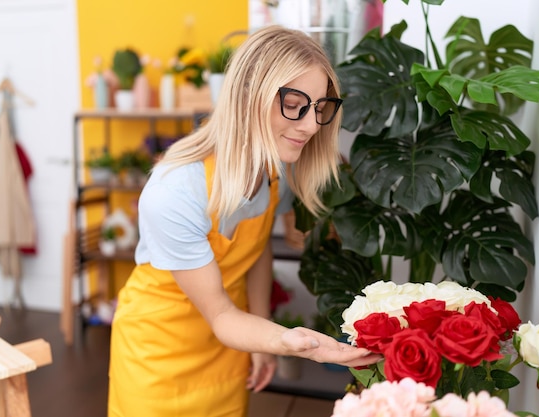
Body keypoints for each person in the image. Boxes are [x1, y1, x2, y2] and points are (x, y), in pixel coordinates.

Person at [107, 25, 380, 417]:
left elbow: (256, 251)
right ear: (249, 94)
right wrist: (287, 341)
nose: (309, 125)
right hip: (157, 353)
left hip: (230, 341)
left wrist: (262, 335)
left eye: (319, 108)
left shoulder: (278, 171)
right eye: (294, 103)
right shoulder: (175, 191)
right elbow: (218, 313)